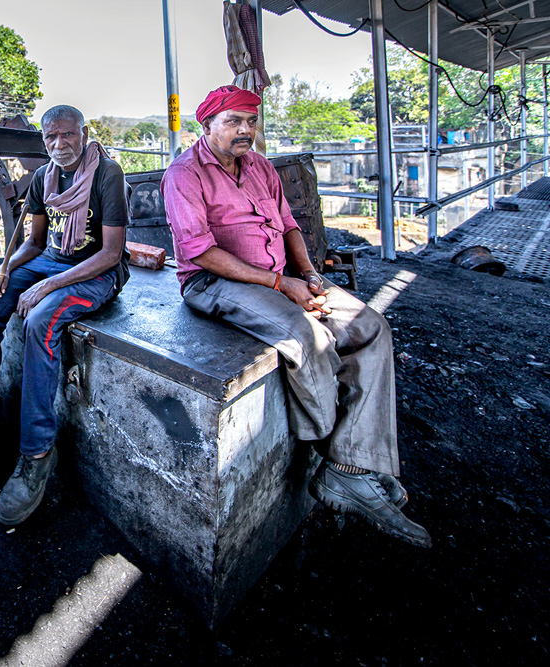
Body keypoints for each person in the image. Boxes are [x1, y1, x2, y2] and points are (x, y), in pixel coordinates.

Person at [160, 85, 431, 548]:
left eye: (251, 120)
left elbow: (288, 225)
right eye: (234, 121)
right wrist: (282, 285)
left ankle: (349, 467)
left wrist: (308, 275)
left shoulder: (261, 166)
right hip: (214, 283)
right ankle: (338, 458)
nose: (246, 130)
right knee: (308, 337)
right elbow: (198, 252)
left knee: (370, 327)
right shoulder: (184, 173)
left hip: (281, 275)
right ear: (207, 126)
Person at [0, 105, 130, 526]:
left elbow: (111, 253)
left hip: (96, 271)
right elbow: (35, 244)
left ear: (84, 133)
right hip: (50, 262)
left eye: (68, 135)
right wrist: (3, 270)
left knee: (40, 321)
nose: (59, 144)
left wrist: (47, 286)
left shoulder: (107, 174)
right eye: (51, 137)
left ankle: (37, 453)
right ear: (43, 140)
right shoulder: (44, 179)